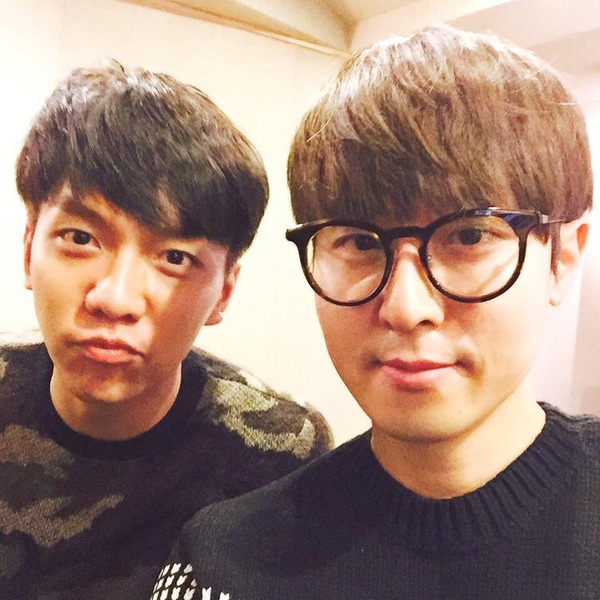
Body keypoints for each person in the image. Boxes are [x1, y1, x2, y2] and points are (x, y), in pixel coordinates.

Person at [153, 25, 599, 600]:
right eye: (361, 243)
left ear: (562, 258)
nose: (406, 308)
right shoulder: (223, 565)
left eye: (468, 236)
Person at [0, 62, 332, 600]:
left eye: (175, 257)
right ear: (28, 249)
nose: (115, 299)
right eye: (80, 238)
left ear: (223, 292)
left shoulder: (279, 453)